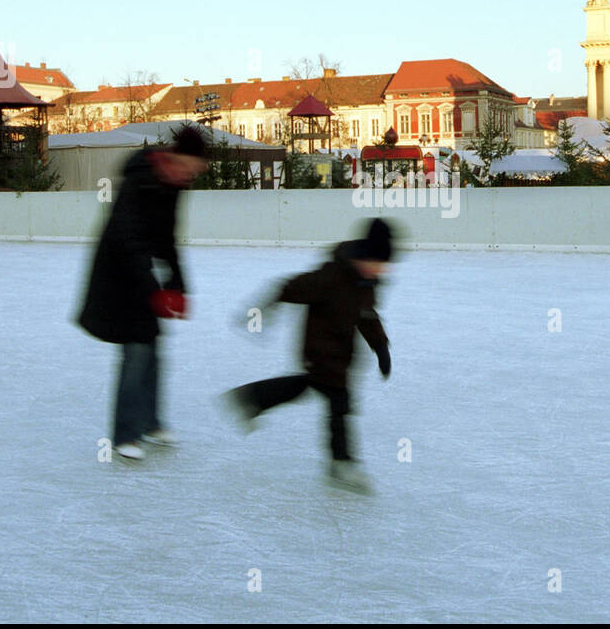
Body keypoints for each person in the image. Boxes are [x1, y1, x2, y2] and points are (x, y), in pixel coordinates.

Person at [223, 218, 393, 493]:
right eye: (378, 262)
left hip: (341, 354)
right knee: (337, 402)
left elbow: (368, 316)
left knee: (313, 391)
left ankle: (252, 398)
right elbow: (288, 287)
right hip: (320, 350)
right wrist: (260, 312)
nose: (381, 269)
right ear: (364, 256)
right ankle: (341, 461)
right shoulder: (330, 277)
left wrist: (381, 347)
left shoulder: (366, 282)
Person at [77, 125, 209, 461]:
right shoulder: (140, 179)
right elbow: (127, 238)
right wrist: (154, 289)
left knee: (152, 351)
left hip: (142, 273)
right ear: (178, 157)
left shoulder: (175, 184)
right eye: (190, 168)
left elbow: (168, 238)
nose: (190, 177)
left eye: (196, 173)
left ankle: (150, 423)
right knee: (135, 353)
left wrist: (179, 284)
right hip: (118, 273)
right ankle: (125, 434)